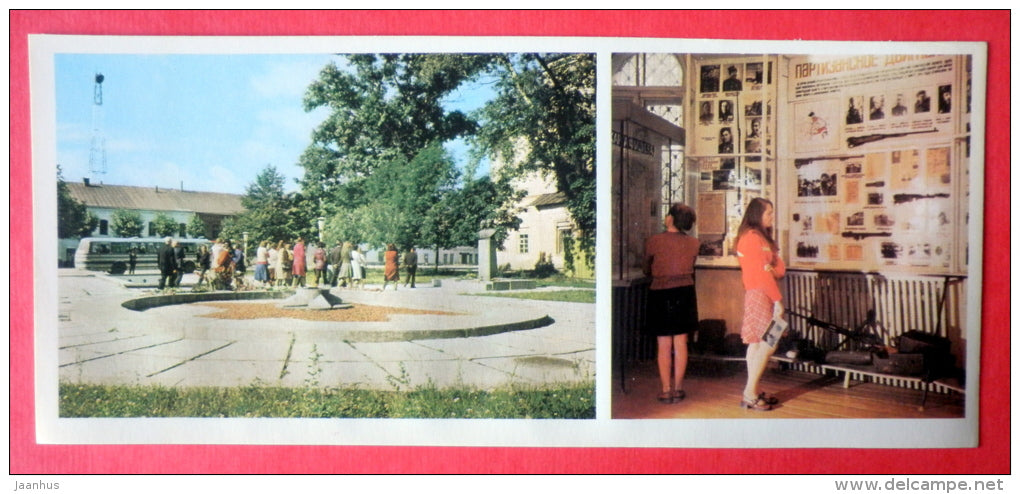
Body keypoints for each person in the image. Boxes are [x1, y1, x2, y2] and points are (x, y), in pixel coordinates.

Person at [643, 203, 700, 404]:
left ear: (669, 219)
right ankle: (678, 388)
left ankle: (666, 390)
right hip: (685, 293)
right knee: (681, 342)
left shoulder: (654, 241)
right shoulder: (694, 243)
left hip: (660, 293)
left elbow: (646, 268)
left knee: (664, 344)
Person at [735, 197, 786, 411]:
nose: (772, 218)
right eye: (768, 213)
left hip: (765, 292)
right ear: (757, 215)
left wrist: (771, 269)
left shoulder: (764, 238)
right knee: (769, 342)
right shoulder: (750, 238)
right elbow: (762, 274)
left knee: (757, 343)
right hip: (759, 294)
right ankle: (749, 393)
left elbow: (780, 269)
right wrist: (778, 301)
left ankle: (752, 391)